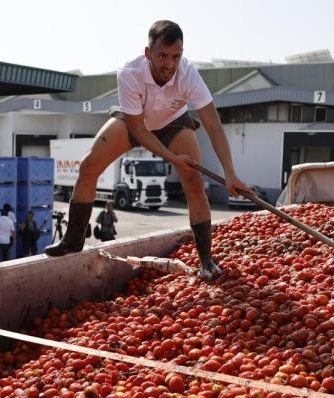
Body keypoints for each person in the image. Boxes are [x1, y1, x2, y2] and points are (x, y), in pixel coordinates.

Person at [44, 20, 252, 279]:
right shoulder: (129, 72)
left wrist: (230, 172)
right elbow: (140, 131)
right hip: (136, 121)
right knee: (88, 166)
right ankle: (72, 241)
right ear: (148, 53)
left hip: (174, 122)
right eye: (162, 56)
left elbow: (213, 124)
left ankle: (206, 261)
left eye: (176, 56)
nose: (170, 64)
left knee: (194, 181)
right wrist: (173, 158)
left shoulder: (188, 74)